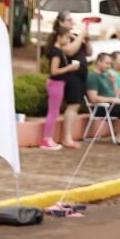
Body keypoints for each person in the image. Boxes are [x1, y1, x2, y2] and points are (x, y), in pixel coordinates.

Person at [43, 14, 87, 150]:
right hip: (56, 83)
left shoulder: (58, 51)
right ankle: (46, 139)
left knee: (55, 112)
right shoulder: (56, 52)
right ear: (60, 37)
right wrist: (70, 68)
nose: (68, 40)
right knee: (53, 112)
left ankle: (48, 139)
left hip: (59, 84)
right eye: (66, 38)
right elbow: (54, 71)